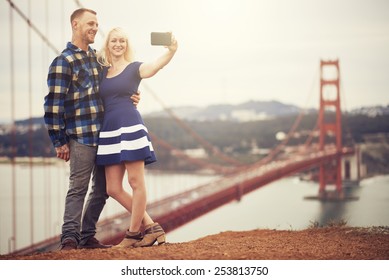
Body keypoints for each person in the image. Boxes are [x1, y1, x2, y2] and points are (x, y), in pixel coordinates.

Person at [43, 8, 140, 251]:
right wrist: (59, 141)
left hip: (105, 134)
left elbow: (114, 86)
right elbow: (53, 104)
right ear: (76, 25)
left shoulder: (98, 59)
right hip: (81, 136)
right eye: (90, 24)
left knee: (103, 190)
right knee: (78, 187)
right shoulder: (63, 61)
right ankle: (69, 238)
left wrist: (131, 96)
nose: (95, 28)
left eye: (97, 24)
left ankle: (87, 235)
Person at [95, 27, 178, 248]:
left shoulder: (133, 68)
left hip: (130, 126)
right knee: (112, 188)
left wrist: (171, 51)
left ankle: (132, 235)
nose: (118, 44)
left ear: (126, 44)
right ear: (107, 44)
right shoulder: (102, 71)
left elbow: (153, 68)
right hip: (110, 130)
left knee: (135, 182)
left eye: (122, 40)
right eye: (114, 40)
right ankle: (151, 227)